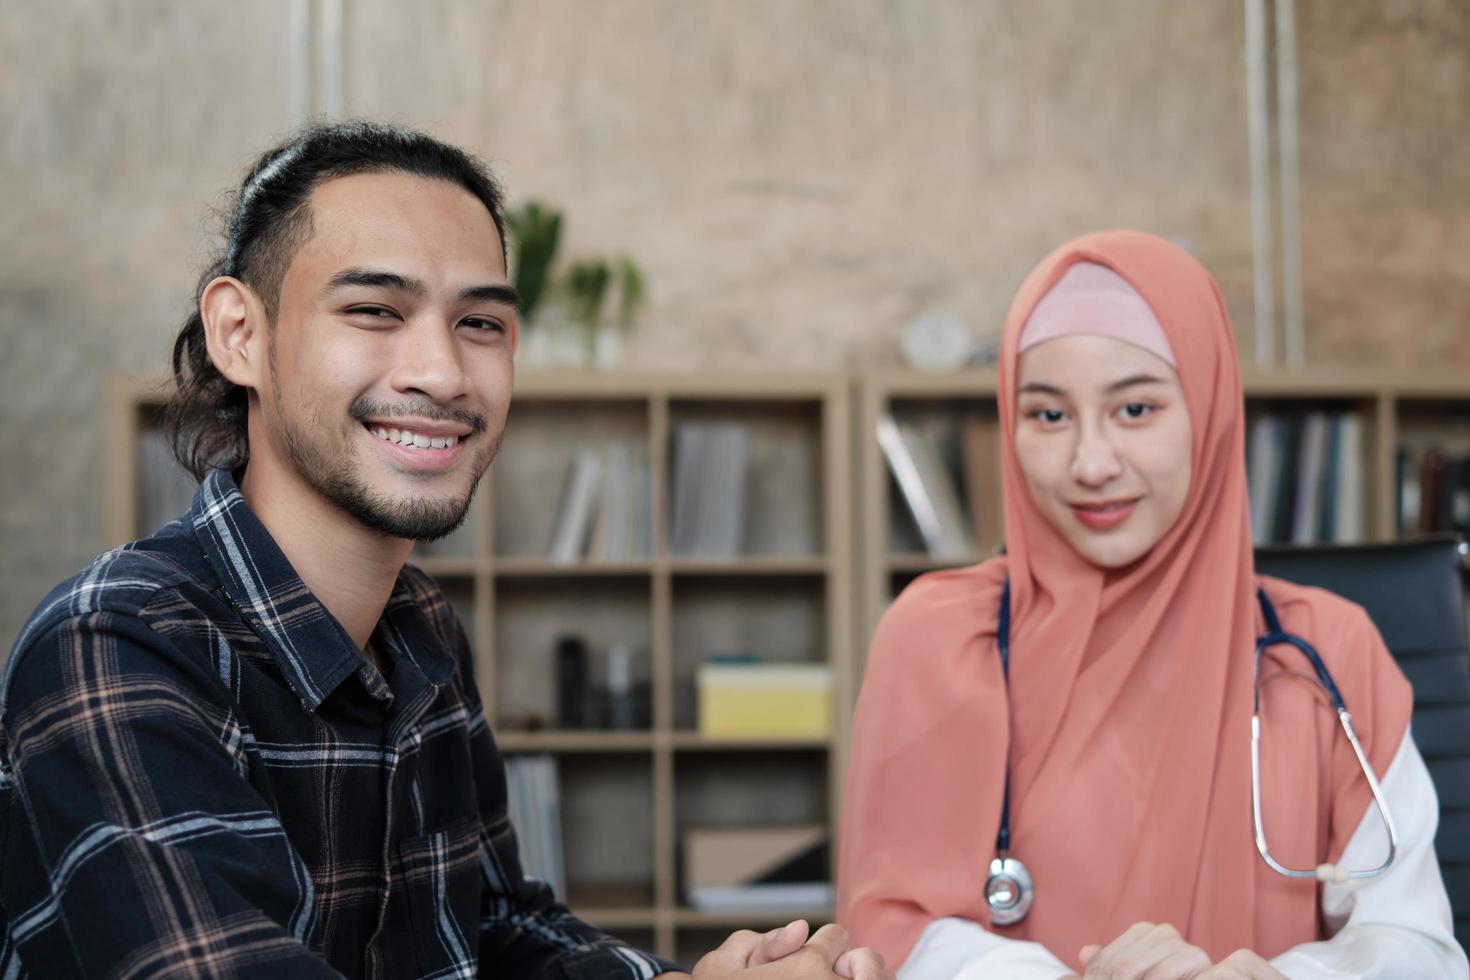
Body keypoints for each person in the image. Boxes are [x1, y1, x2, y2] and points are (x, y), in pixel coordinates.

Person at [0, 122, 891, 980]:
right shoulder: (113, 642)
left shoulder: (418, 622)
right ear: (242, 334)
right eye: (375, 309)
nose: (443, 373)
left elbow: (492, 926)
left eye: (481, 324)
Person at [836, 231, 1468, 979]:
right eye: (1048, 416)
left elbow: (1416, 945)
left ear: (1209, 411)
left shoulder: (1327, 649)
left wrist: (1271, 979)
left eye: (1135, 408)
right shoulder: (940, 638)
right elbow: (896, 929)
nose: (1091, 464)